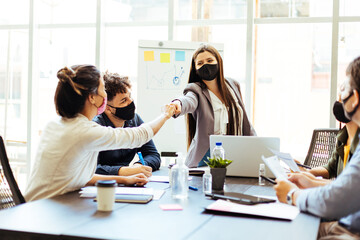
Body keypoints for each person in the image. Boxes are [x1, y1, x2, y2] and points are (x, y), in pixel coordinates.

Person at [25, 64, 175, 202]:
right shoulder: (84, 131)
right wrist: (166, 115)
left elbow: (80, 177)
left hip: (40, 205)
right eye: (103, 89)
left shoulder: (57, 124)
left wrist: (125, 179)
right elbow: (140, 135)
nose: (104, 95)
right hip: (44, 209)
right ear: (92, 97)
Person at [274, 56, 360, 239]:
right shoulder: (347, 139)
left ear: (356, 98)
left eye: (344, 90)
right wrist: (310, 181)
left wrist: (292, 195)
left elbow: (338, 199)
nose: (340, 99)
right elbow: (347, 188)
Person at [171, 45, 255, 168]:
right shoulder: (195, 89)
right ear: (195, 68)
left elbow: (243, 119)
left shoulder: (233, 85)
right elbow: (189, 100)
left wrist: (258, 144)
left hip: (236, 150)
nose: (206, 65)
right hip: (207, 154)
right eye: (200, 63)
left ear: (218, 62)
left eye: (210, 61)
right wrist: (178, 104)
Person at [93, 72, 160, 177]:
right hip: (101, 186)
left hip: (128, 182)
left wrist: (138, 165)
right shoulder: (95, 127)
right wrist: (122, 171)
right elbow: (91, 168)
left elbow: (153, 155)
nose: (131, 102)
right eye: (124, 100)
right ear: (107, 108)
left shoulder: (135, 119)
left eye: (130, 96)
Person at [305, 102, 360, 179]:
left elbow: (348, 186)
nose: (339, 100)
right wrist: (305, 172)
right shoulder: (343, 136)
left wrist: (310, 181)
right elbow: (330, 168)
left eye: (344, 92)